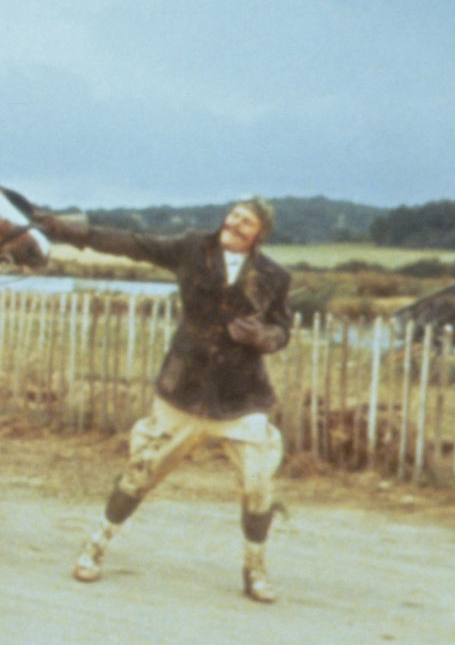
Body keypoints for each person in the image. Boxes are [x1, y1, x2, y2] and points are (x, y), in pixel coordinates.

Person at [38, 198, 292, 602]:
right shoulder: (192, 248)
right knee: (141, 472)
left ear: (260, 234)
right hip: (184, 391)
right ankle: (95, 547)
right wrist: (76, 232)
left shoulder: (274, 275)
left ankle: (255, 570)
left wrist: (263, 337)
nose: (236, 222)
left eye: (248, 221)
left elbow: (282, 330)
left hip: (241, 398)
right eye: (235, 215)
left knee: (259, 483)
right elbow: (134, 243)